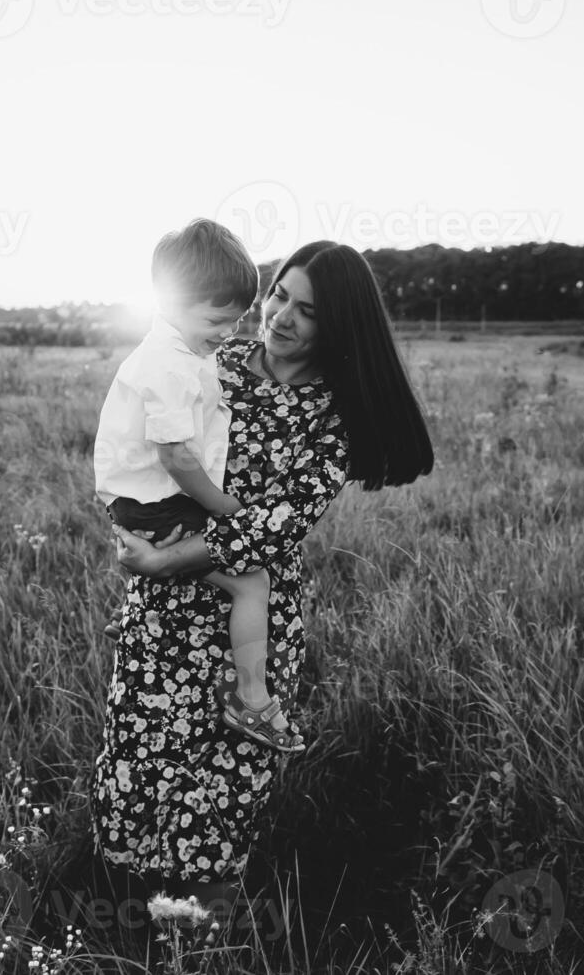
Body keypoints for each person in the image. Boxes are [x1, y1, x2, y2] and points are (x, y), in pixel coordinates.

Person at [91, 239, 434, 921]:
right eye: (278, 294)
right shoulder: (210, 357)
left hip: (249, 618)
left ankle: (196, 929)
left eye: (306, 311)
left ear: (338, 325)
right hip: (163, 610)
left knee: (223, 774)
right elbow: (141, 444)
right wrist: (137, 537)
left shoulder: (335, 413)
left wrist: (169, 556)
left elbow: (281, 523)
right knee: (143, 748)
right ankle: (122, 916)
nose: (280, 316)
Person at [94, 218, 303, 752]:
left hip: (142, 499)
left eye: (236, 321)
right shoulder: (169, 365)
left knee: (202, 555)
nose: (228, 333)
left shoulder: (183, 350)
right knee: (250, 580)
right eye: (217, 320)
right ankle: (253, 701)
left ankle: (141, 618)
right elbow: (176, 455)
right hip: (156, 500)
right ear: (169, 301)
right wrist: (226, 506)